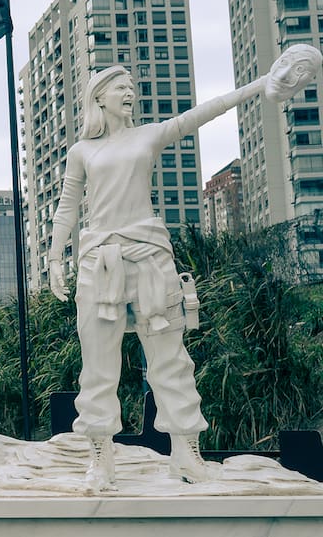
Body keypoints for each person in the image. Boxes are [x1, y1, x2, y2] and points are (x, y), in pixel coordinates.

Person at [48, 45, 322, 491]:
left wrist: (261, 83)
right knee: (99, 365)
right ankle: (100, 459)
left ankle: (187, 455)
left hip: (152, 259)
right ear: (100, 97)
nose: (129, 93)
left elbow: (202, 113)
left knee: (171, 361)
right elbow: (67, 206)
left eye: (132, 88)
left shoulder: (148, 135)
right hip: (101, 262)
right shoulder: (82, 151)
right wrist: (55, 257)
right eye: (121, 87)